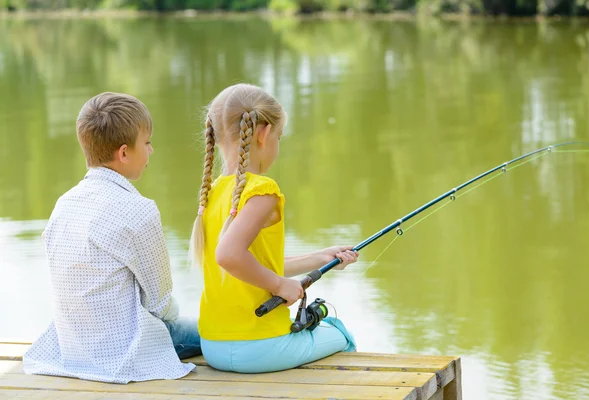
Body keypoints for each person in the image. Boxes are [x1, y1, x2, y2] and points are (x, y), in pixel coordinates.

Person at [23, 92, 201, 384]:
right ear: (124, 153)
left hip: (72, 345)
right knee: (214, 330)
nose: (151, 151)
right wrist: (175, 314)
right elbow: (160, 303)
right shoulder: (139, 211)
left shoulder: (63, 204)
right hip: (123, 350)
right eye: (147, 143)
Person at [190, 83, 358, 374]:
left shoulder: (212, 192)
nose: (278, 143)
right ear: (264, 133)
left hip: (213, 345)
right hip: (262, 347)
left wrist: (322, 257)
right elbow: (228, 255)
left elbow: (250, 266)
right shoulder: (262, 191)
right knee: (340, 331)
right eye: (279, 136)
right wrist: (280, 285)